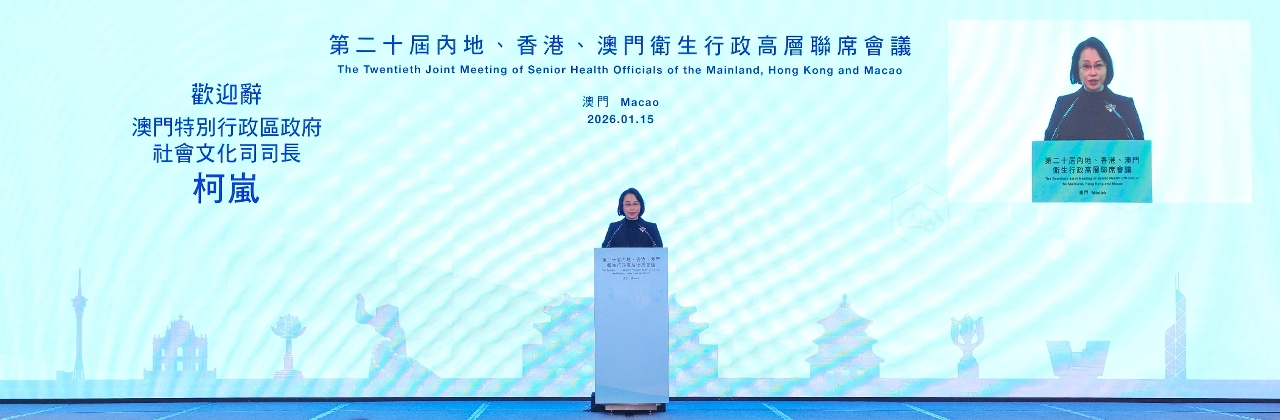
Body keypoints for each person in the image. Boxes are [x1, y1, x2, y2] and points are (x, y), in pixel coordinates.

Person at [1044, 37, 1145, 141]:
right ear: (1077, 69)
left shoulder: (1125, 105)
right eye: (1086, 66)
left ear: (1107, 67)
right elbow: (1047, 146)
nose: (1093, 73)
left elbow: (1139, 148)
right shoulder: (1064, 105)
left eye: (1098, 65)